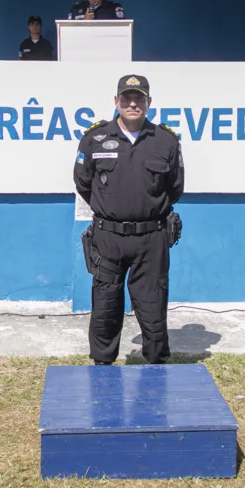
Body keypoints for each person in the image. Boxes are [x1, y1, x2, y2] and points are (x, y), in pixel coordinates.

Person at [73, 74, 184, 366]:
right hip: (108, 237)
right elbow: (83, 183)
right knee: (106, 305)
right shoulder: (94, 138)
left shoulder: (165, 141)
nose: (132, 104)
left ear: (149, 103)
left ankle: (156, 364)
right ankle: (102, 363)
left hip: (151, 238)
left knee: (152, 305)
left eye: (139, 99)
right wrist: (111, 210)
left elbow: (175, 188)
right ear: (116, 102)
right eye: (126, 98)